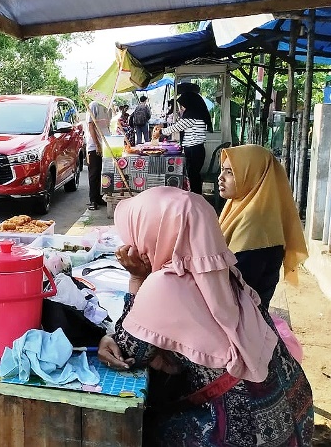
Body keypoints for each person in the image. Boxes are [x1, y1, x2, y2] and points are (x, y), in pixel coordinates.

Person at [98, 186, 313, 446]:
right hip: (292, 412)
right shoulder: (226, 272)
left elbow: (130, 353)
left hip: (243, 431)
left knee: (145, 426)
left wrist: (136, 279)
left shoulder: (164, 285)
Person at [218, 144, 308, 310]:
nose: (221, 177)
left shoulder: (256, 223)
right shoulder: (239, 206)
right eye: (223, 170)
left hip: (244, 322)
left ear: (254, 176)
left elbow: (235, 286)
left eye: (230, 172)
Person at [160, 91, 213, 194]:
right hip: (197, 149)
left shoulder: (191, 116)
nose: (182, 108)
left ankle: (195, 197)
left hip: (194, 150)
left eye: (183, 106)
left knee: (193, 176)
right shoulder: (198, 114)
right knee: (194, 176)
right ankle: (196, 196)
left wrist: (161, 131)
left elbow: (177, 127)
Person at [86, 100, 110, 211]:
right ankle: (93, 200)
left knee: (104, 172)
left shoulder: (108, 106)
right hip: (94, 146)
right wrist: (97, 145)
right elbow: (91, 126)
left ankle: (99, 197)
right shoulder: (94, 105)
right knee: (94, 173)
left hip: (106, 144)